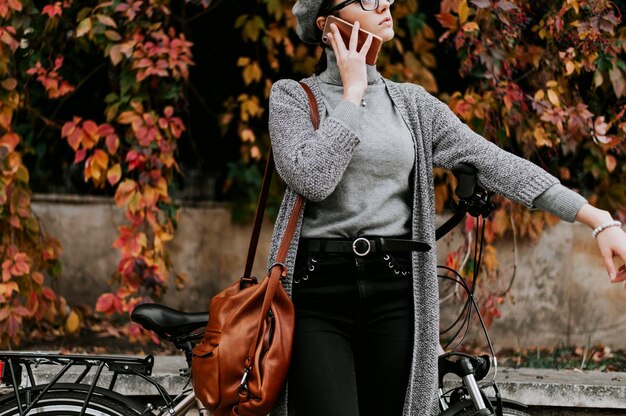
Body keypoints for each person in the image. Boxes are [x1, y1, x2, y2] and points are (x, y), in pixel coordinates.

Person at [265, 0, 626, 415]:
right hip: (316, 292)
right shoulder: (292, 97)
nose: (385, 5)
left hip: (396, 292)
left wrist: (598, 220)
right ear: (329, 23)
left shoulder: (413, 105)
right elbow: (313, 178)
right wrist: (353, 92)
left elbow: (498, 164)